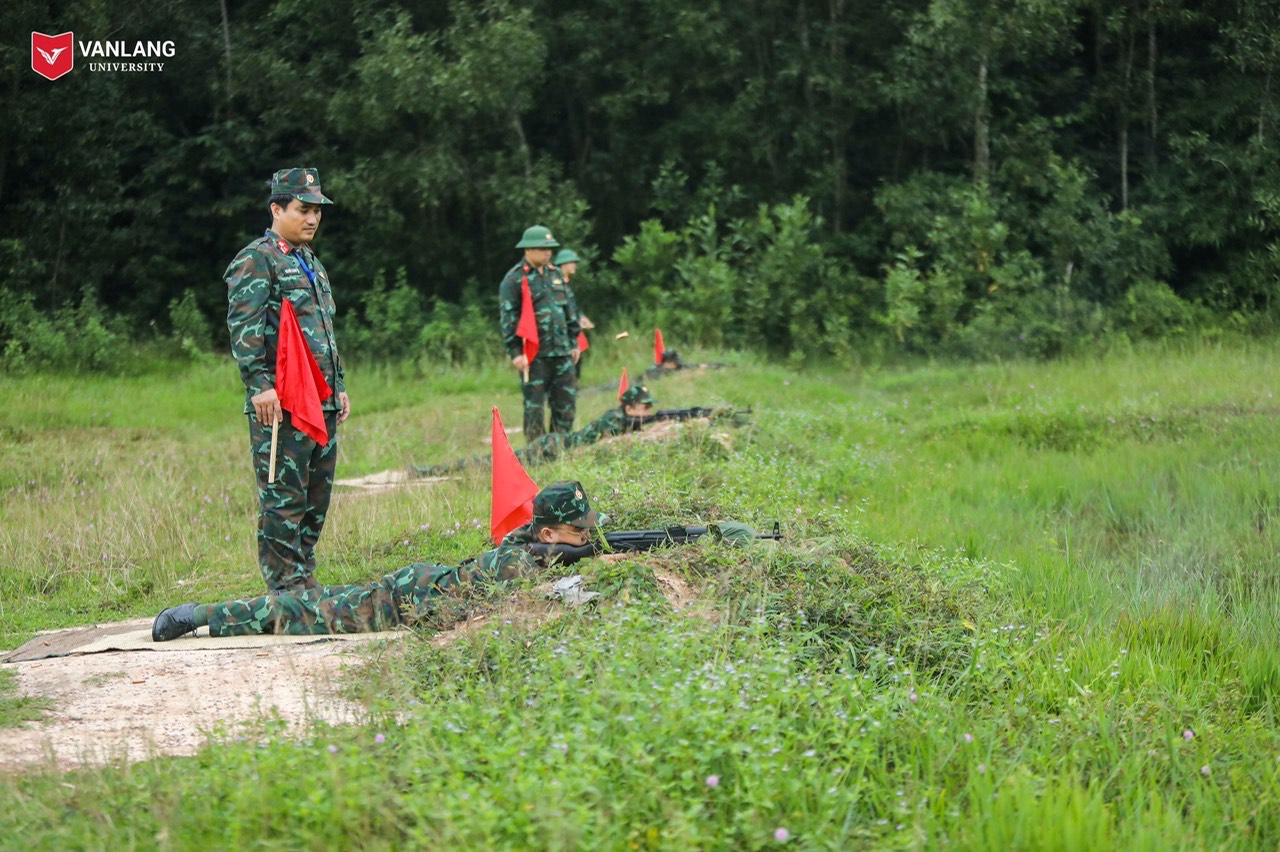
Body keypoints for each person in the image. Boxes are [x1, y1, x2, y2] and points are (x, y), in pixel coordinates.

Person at [151, 481, 603, 641]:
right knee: (296, 612)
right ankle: (198, 616)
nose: (586, 537)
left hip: (419, 582)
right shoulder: (517, 563)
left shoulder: (528, 544)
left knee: (309, 600)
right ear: (549, 534)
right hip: (397, 602)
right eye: (579, 532)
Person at [224, 167, 351, 593]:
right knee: (284, 497)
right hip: (282, 401)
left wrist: (340, 385)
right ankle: (283, 588)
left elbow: (324, 331)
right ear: (276, 208)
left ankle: (302, 576)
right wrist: (259, 384)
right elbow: (246, 327)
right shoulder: (257, 258)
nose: (312, 218)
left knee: (317, 495)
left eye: (317, 210)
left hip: (322, 398)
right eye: (303, 209)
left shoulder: (310, 261)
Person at [410, 385, 659, 477]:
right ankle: (430, 471)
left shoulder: (621, 418)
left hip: (555, 446)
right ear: (628, 406)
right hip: (549, 448)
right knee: (494, 463)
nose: (647, 413)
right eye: (643, 407)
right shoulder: (614, 419)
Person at [499, 226, 581, 442]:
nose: (548, 253)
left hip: (562, 351)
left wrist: (574, 341)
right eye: (543, 249)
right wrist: (515, 352)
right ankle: (536, 451)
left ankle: (561, 445)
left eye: (550, 249)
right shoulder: (514, 279)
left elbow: (569, 310)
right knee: (534, 406)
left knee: (566, 403)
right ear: (528, 250)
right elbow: (509, 318)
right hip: (534, 354)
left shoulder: (556, 274)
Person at [554, 248, 593, 378]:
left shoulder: (566, 282)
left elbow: (572, 306)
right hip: (563, 329)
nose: (574, 265)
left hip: (572, 326)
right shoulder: (556, 282)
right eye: (572, 262)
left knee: (579, 351)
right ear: (563, 264)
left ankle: (573, 383)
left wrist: (581, 317)